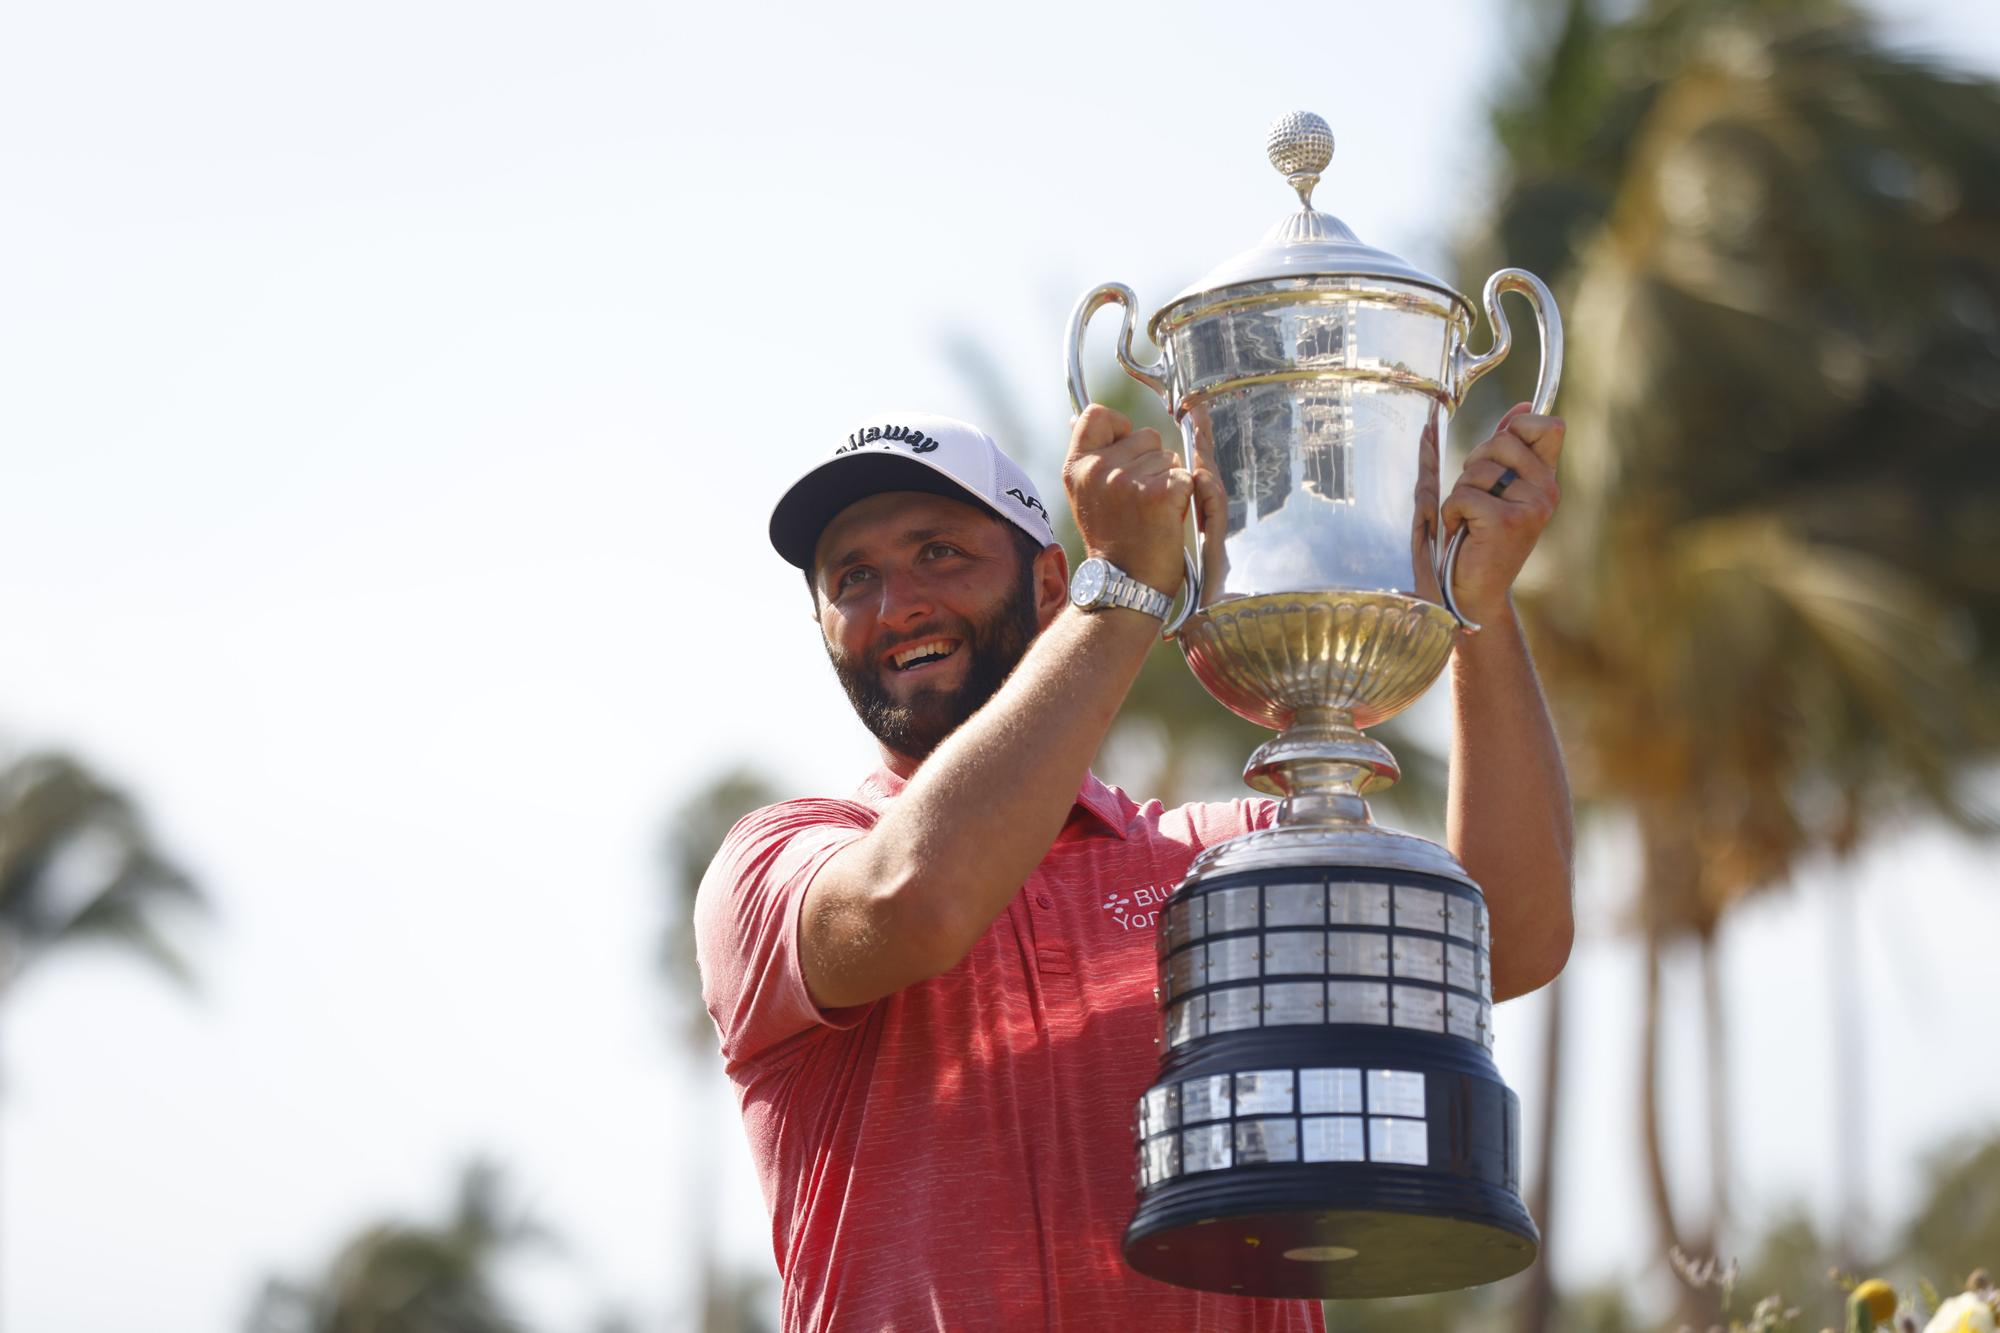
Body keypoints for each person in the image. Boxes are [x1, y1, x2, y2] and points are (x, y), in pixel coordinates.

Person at [695, 405, 1575, 1333]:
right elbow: (919, 897)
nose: (896, 602)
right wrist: (1122, 591)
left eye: (939, 553)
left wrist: (1479, 607)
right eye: (853, 577)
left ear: (1044, 587)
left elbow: (1506, 939)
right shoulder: (774, 865)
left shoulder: (1207, 862)